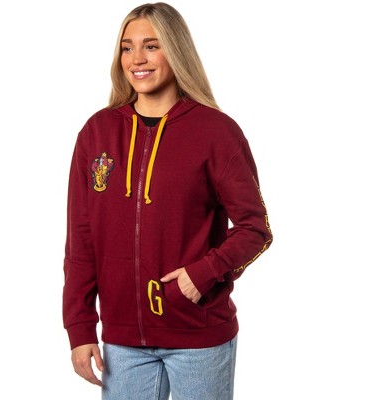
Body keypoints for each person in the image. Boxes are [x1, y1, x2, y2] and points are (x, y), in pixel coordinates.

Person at [62, 2, 273, 399]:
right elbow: (81, 237)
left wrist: (202, 273)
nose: (136, 59)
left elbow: (255, 229)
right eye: (127, 47)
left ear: (175, 51)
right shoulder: (97, 133)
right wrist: (79, 326)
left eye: (151, 46)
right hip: (122, 343)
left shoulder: (216, 132)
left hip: (199, 337)